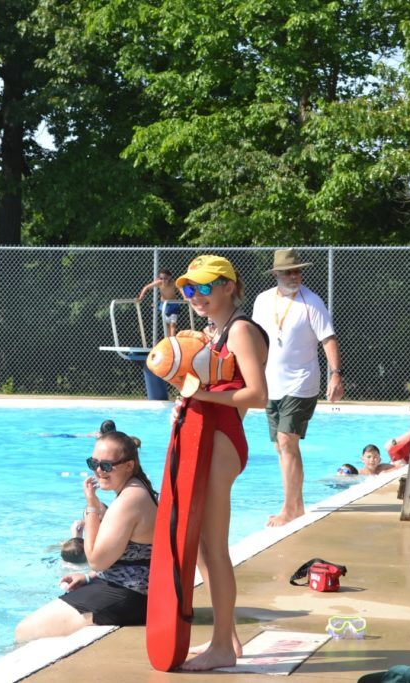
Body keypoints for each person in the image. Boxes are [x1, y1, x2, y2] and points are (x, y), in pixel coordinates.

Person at [171, 254, 269, 670]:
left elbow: (258, 395)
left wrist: (201, 397)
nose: (196, 296)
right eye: (189, 289)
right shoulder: (214, 332)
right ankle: (227, 636)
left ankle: (222, 648)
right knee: (200, 551)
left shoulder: (241, 330)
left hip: (224, 441)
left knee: (214, 547)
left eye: (206, 287)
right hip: (206, 439)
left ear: (230, 285)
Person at [14, 431, 159, 643]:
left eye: (107, 466)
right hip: (132, 590)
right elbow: (122, 558)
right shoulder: (136, 489)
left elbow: (96, 560)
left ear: (129, 465)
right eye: (94, 463)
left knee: (24, 632)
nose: (99, 471)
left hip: (129, 598)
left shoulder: (130, 499)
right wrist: (90, 577)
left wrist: (92, 508)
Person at [252, 248, 345, 527]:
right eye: (289, 272)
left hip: (301, 383)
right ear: (276, 275)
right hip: (271, 384)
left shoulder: (311, 302)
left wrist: (336, 375)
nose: (295, 276)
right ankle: (296, 505)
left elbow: (328, 338)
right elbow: (255, 339)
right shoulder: (263, 300)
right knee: (281, 448)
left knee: (286, 441)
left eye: (298, 271)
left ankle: (290, 509)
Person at [137, 269, 184, 337]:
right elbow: (146, 287)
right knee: (167, 324)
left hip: (173, 305)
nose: (163, 280)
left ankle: (173, 340)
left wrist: (185, 297)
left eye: (165, 278)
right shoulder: (159, 283)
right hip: (164, 305)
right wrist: (140, 297)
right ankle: (168, 341)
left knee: (173, 325)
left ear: (170, 277)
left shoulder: (173, 283)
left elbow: (181, 288)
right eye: (161, 278)